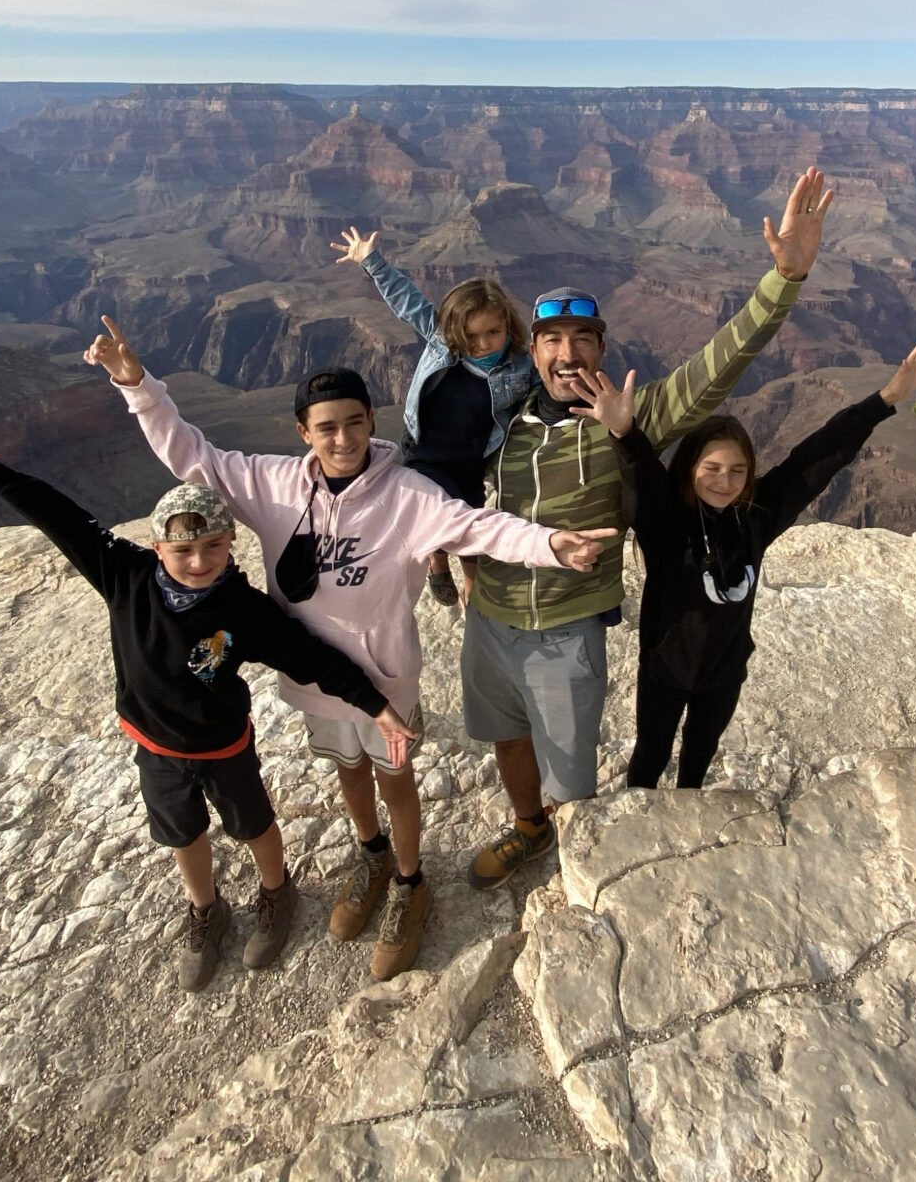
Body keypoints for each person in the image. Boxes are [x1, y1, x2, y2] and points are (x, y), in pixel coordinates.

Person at [83, 322, 614, 979]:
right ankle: (370, 854)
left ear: (372, 421)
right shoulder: (272, 485)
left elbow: (478, 526)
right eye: (326, 427)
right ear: (303, 432)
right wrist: (136, 385)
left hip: (386, 682)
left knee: (396, 779)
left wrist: (550, 545)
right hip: (316, 684)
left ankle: (410, 882)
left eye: (355, 423)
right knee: (348, 772)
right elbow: (194, 457)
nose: (343, 439)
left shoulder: (409, 496)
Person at [0, 431, 415, 992]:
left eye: (213, 547)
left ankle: (277, 891)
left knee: (253, 823)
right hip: (156, 746)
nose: (199, 562)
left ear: (231, 542)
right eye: (182, 550)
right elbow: (54, 512)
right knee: (182, 834)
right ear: (157, 547)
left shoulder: (245, 611)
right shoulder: (124, 576)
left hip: (225, 744)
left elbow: (311, 657)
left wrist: (375, 705)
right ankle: (206, 909)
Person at [462, 166, 838, 891]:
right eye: (552, 341)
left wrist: (782, 283)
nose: (568, 354)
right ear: (530, 350)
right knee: (507, 739)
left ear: (601, 350)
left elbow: (716, 370)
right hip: (490, 619)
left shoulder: (629, 417)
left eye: (582, 340)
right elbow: (435, 463)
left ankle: (576, 873)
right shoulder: (497, 415)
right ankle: (527, 829)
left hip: (568, 626)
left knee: (571, 777)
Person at [568, 335, 916, 789]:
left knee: (700, 753)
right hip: (665, 668)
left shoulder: (756, 516)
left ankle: (687, 816)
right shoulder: (668, 524)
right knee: (652, 754)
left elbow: (817, 457)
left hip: (725, 670)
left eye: (737, 470)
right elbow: (642, 482)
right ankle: (638, 822)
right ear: (689, 469)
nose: (725, 482)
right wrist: (624, 434)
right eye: (713, 469)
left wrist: (886, 399)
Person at [330, 225, 537, 606]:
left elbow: (548, 392)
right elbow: (408, 302)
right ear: (456, 331)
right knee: (432, 508)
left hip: (472, 457)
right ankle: (437, 563)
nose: (482, 344)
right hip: (426, 447)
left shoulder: (521, 367)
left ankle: (473, 579)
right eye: (471, 336)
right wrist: (371, 262)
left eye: (493, 332)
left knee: (470, 514)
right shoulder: (443, 341)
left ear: (508, 325)